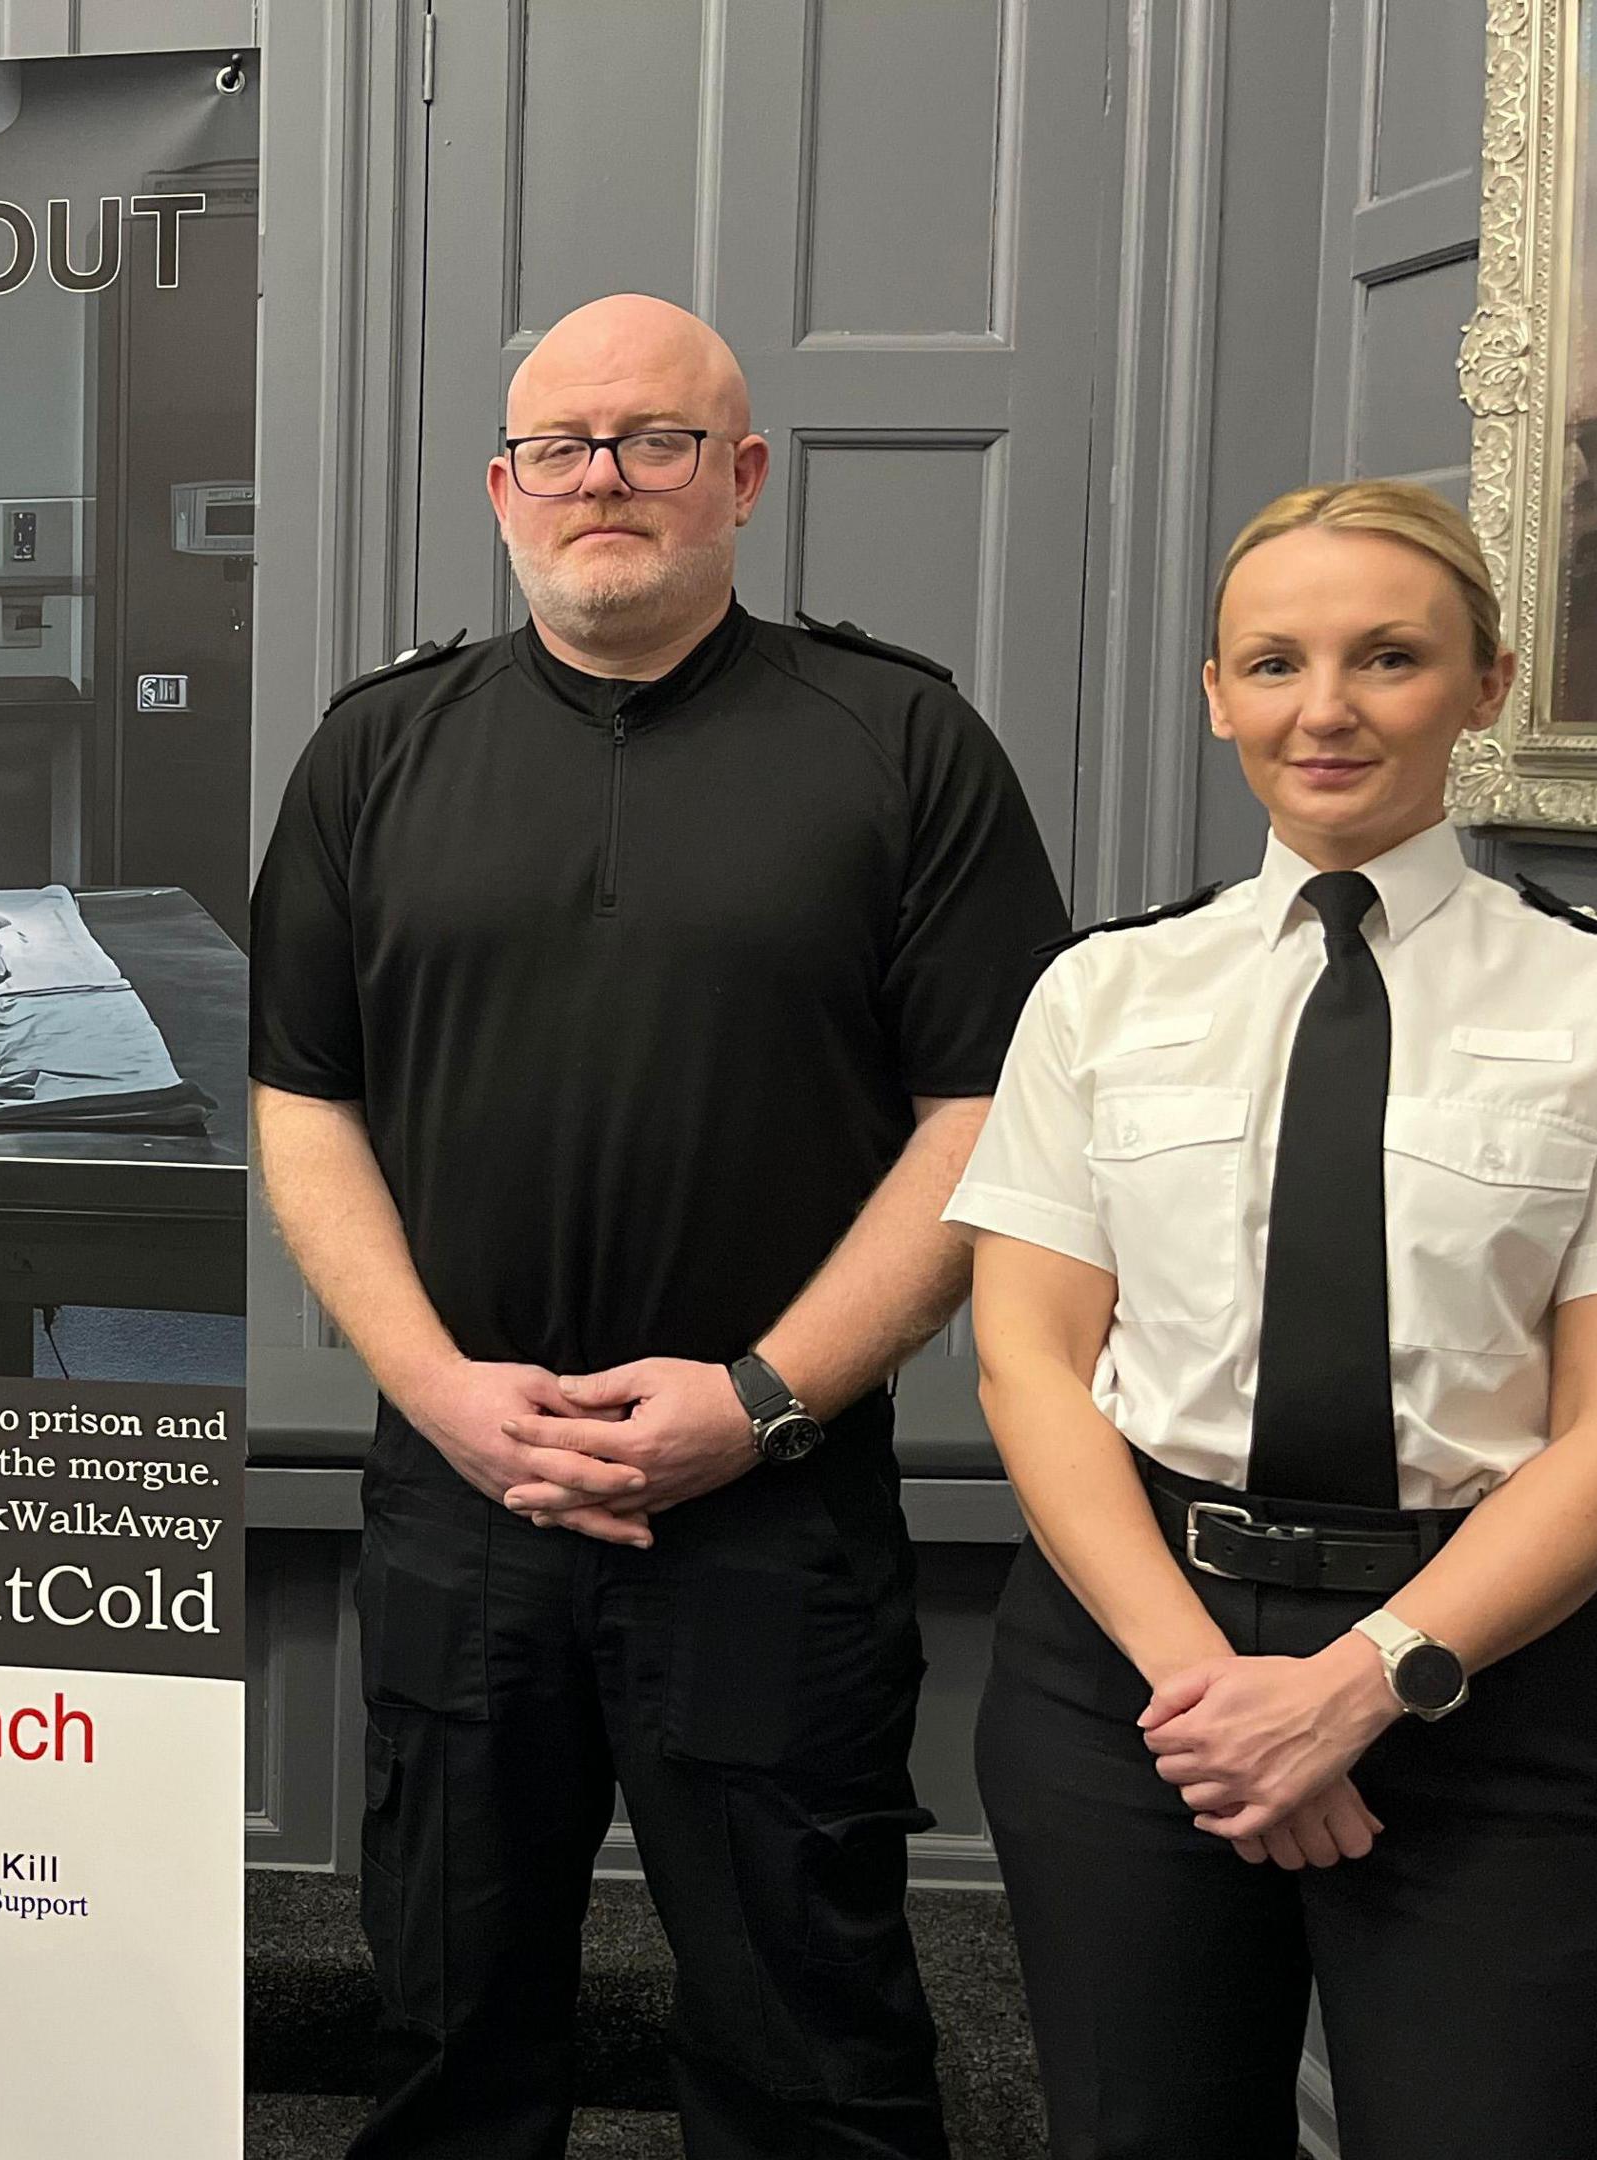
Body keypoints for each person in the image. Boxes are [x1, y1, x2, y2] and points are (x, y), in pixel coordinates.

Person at [249, 293, 1070, 2160]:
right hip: (464, 1500)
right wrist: (441, 1392)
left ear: (746, 476)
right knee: (449, 2032)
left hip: (771, 1511)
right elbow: (305, 1100)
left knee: (812, 2050)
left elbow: (995, 1115)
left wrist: (764, 1397)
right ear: (503, 487)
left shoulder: (903, 744)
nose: (602, 478)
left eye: (657, 441)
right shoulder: (375, 757)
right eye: (562, 445)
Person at [947, 480, 1597, 2158]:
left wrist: (1360, 1685)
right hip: (1135, 1672)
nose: (1324, 708)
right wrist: (1214, 1702)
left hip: (1487, 1663)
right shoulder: (1102, 991)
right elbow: (1030, 1360)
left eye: (1389, 657)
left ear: (1485, 684)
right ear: (1216, 694)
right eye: (1273, 662)